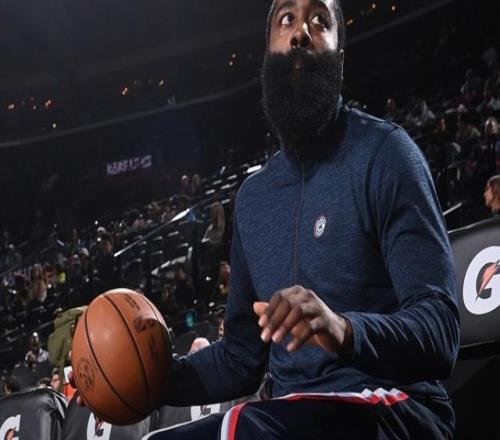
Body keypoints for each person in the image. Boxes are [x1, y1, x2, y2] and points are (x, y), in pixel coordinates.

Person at [75, 1, 459, 438]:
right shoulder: (254, 199)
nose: (300, 32)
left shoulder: (387, 154)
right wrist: (139, 378)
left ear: (339, 56)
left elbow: (440, 331)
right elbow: (240, 359)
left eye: (319, 20)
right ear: (268, 53)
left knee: (244, 429)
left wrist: (344, 329)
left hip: (399, 408)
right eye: (286, 19)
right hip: (290, 418)